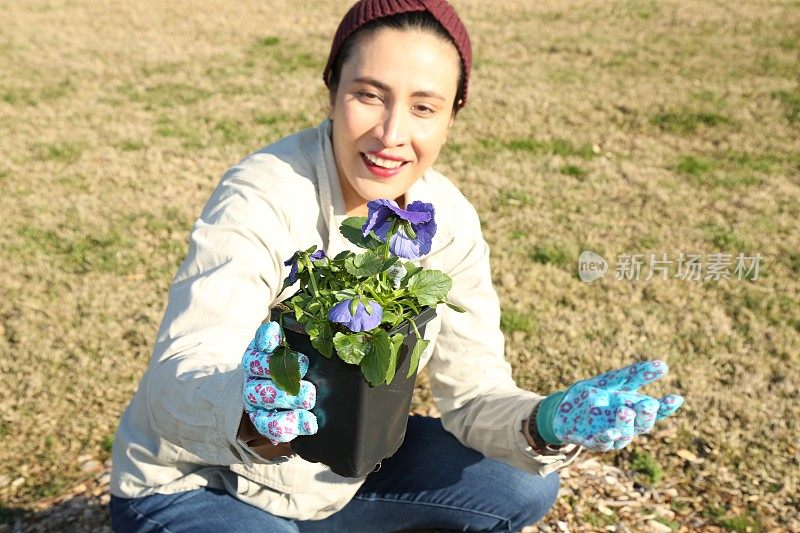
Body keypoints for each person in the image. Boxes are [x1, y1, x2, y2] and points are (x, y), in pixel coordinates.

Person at [109, 1, 684, 531]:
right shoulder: (263, 194)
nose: (391, 135)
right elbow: (180, 374)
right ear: (332, 89)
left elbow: (475, 393)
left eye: (424, 107)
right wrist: (248, 412)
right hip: (205, 483)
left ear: (453, 115)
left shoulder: (447, 220)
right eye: (369, 95)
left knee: (516, 484)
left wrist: (547, 422)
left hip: (336, 477)